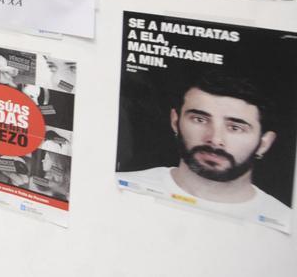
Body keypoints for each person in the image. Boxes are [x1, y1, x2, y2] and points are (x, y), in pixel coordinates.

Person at [118, 71, 288, 222]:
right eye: (200, 120)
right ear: (175, 121)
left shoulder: (285, 219)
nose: (214, 139)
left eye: (235, 128)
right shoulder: (121, 184)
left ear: (264, 144)